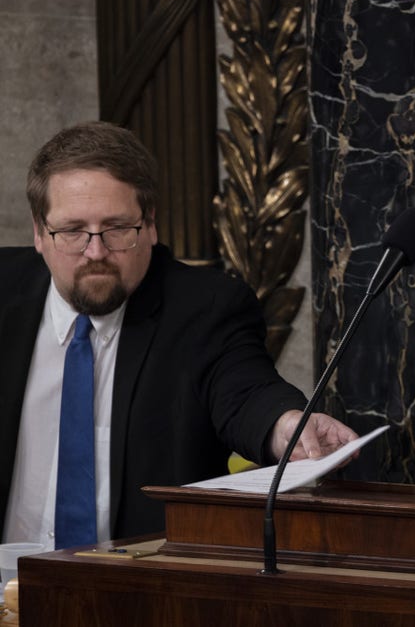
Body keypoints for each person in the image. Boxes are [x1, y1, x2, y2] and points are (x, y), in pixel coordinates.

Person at [0, 121, 358, 550]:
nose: (95, 252)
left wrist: (285, 426)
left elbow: (244, 390)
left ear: (150, 223)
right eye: (73, 230)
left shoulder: (203, 309)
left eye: (117, 228)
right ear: (39, 232)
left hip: (143, 594)